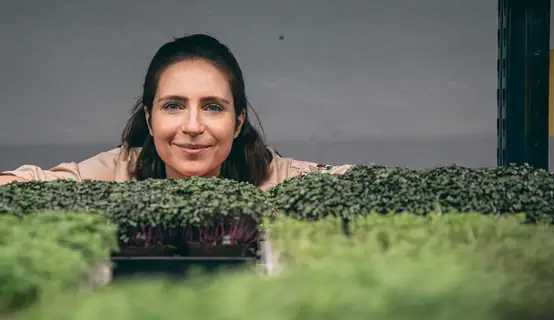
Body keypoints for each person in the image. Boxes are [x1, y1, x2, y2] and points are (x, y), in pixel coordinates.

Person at [0, 34, 351, 191]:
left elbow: (363, 182)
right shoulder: (118, 171)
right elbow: (26, 184)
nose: (193, 126)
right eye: (173, 106)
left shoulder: (282, 179)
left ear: (238, 121)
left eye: (213, 107)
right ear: (150, 120)